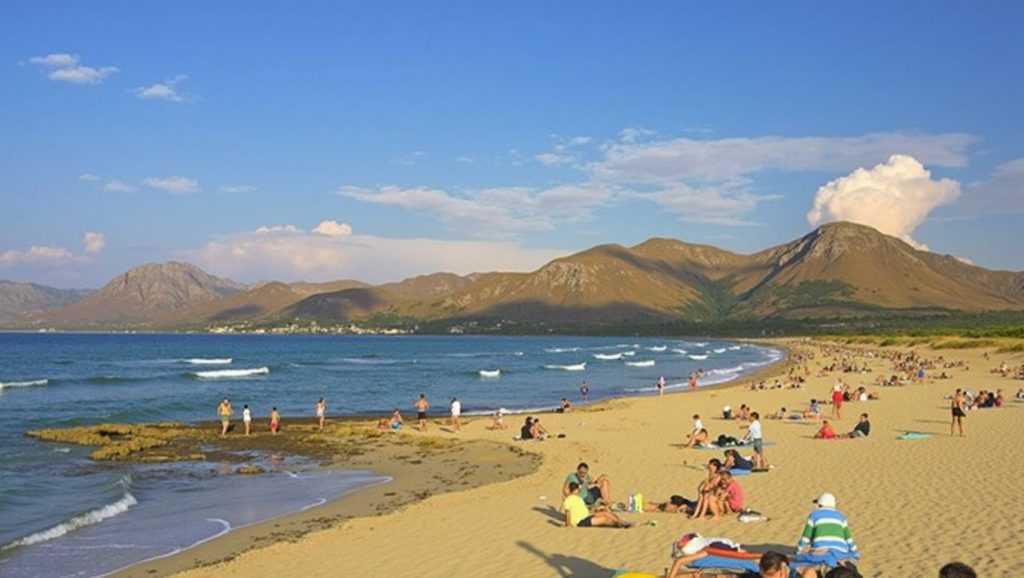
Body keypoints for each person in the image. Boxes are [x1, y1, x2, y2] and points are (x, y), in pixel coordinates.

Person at [794, 493, 859, 577]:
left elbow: (805, 538)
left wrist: (798, 551)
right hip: (840, 553)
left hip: (820, 553)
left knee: (799, 563)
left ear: (820, 505)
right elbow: (848, 538)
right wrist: (855, 553)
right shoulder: (841, 516)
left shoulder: (814, 515)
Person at [562, 482, 631, 529]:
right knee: (605, 519)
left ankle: (621, 522)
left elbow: (583, 509)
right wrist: (568, 524)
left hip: (586, 516)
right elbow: (568, 513)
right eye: (578, 490)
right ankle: (621, 524)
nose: (579, 491)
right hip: (581, 522)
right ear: (576, 489)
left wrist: (596, 509)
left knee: (606, 513)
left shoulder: (579, 498)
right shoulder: (568, 500)